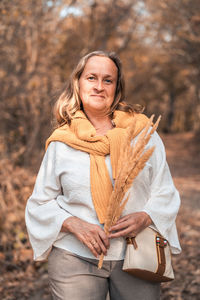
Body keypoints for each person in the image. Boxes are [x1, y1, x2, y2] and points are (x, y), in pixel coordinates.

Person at [25, 50, 181, 300]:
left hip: (136, 255)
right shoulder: (61, 143)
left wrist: (146, 216)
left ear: (116, 88)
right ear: (78, 83)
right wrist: (72, 223)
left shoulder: (144, 134)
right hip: (73, 257)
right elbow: (40, 203)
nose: (99, 86)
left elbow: (165, 191)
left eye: (107, 80)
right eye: (91, 78)